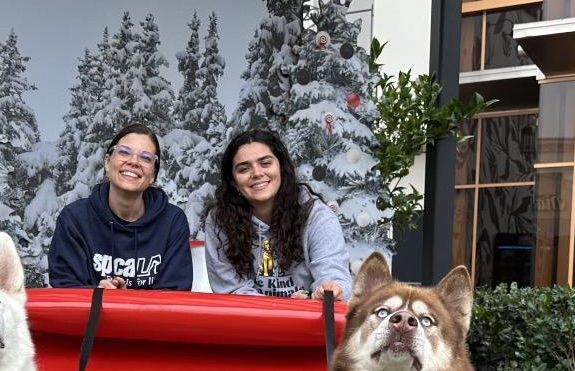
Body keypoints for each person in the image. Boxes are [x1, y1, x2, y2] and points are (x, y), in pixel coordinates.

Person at [203, 129, 352, 300]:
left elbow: (334, 277)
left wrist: (325, 292)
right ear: (234, 182)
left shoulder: (317, 216)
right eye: (244, 169)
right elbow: (231, 292)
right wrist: (284, 311)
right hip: (248, 323)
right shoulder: (220, 221)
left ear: (281, 168)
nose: (257, 173)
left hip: (309, 322)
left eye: (265, 163)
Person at [48, 123, 193, 290]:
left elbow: (175, 294)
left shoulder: (172, 222)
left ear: (153, 174)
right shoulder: (74, 220)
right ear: (107, 163)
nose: (133, 162)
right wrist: (98, 296)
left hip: (150, 317)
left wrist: (126, 301)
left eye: (146, 157)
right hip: (89, 316)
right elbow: (65, 291)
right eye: (124, 152)